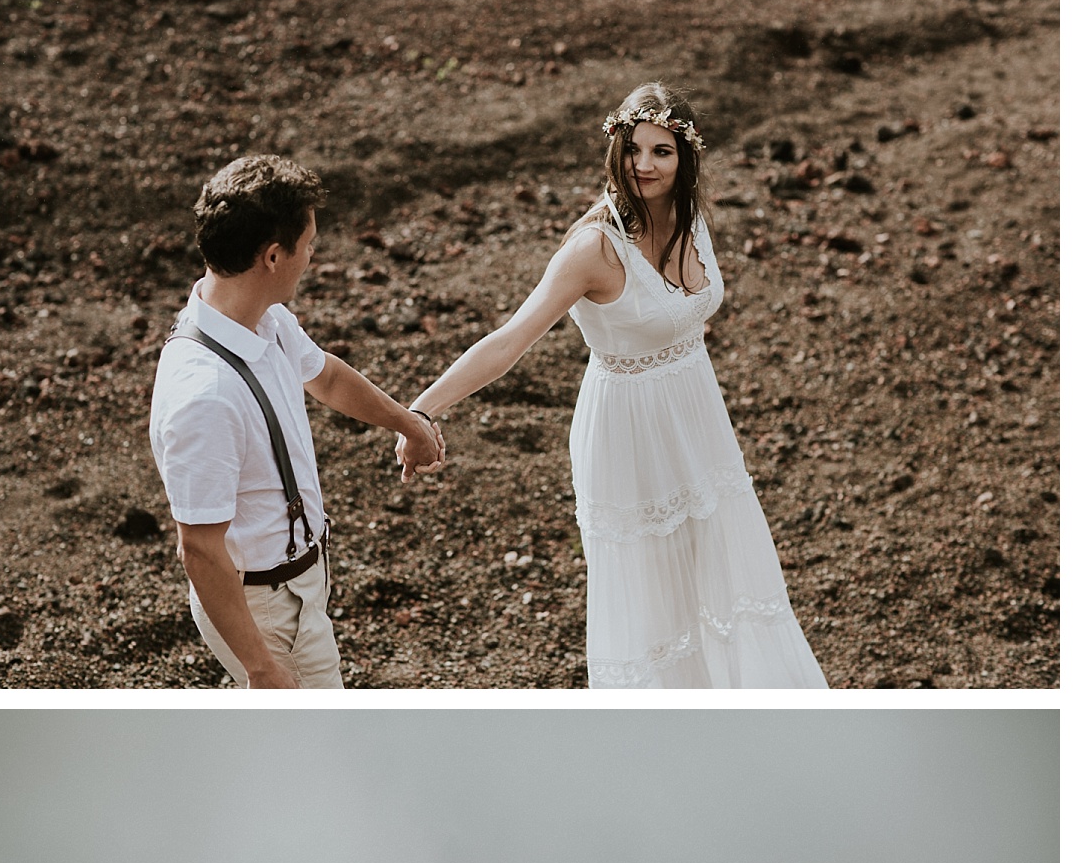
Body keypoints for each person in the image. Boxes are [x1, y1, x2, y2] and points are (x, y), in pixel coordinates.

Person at [401, 82, 826, 688]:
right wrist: (416, 413)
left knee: (729, 575)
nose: (644, 166)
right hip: (628, 430)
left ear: (687, 158)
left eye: (662, 151)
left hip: (697, 416)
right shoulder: (593, 249)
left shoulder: (691, 219)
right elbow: (508, 341)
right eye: (633, 149)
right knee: (652, 602)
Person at [148, 155, 444, 688]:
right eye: (309, 246)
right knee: (312, 748)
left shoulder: (264, 317)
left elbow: (326, 376)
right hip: (261, 605)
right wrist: (261, 667)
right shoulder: (206, 396)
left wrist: (408, 423)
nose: (312, 257)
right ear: (273, 256)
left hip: (298, 587)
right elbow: (199, 548)